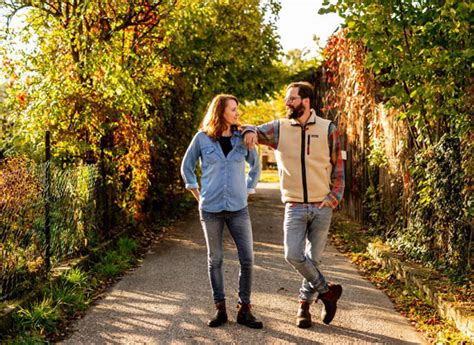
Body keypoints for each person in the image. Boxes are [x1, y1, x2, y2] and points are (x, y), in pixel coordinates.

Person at [243, 81, 345, 328]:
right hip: (294, 205)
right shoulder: (279, 128)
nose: (287, 103)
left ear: (306, 101)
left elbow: (339, 168)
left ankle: (303, 307)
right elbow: (252, 130)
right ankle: (327, 292)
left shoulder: (328, 128)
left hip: (322, 206)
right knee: (293, 255)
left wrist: (334, 198)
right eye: (287, 99)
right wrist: (248, 130)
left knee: (314, 259)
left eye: (292, 99)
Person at [180, 94, 263, 329]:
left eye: (237, 109)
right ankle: (220, 310)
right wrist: (197, 194)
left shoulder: (242, 137)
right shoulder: (202, 139)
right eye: (233, 109)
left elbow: (255, 167)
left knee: (247, 259)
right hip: (211, 210)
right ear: (220, 112)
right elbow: (187, 166)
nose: (237, 113)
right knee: (215, 259)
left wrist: (247, 190)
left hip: (239, 209)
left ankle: (244, 309)